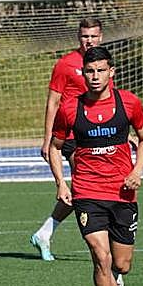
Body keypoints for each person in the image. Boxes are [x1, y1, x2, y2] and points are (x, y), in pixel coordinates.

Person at [47, 45, 143, 286]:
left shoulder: (129, 103)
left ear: (111, 72)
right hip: (87, 192)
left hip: (122, 193)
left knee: (122, 264)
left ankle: (116, 279)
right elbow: (55, 148)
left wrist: (136, 171)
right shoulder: (70, 108)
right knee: (99, 256)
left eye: (100, 70)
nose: (94, 76)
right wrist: (61, 183)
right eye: (89, 71)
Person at [31, 18, 104, 261]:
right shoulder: (65, 64)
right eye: (85, 36)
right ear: (78, 37)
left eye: (93, 36)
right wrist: (47, 138)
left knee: (83, 188)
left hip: (95, 135)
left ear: (100, 37)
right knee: (85, 184)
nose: (89, 41)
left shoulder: (102, 65)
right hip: (71, 136)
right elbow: (53, 102)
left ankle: (44, 233)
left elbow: (106, 103)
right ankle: (97, 240)